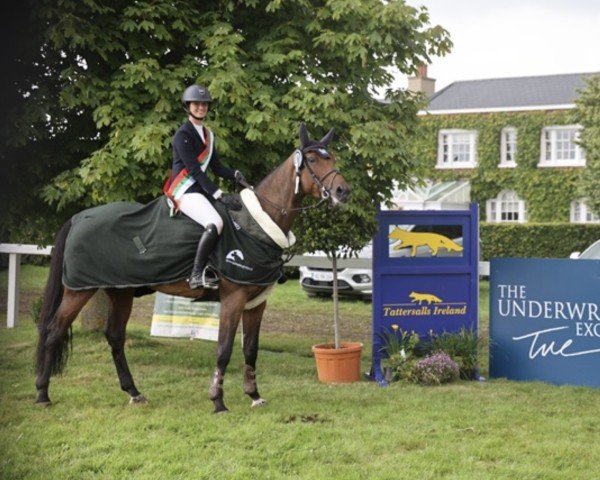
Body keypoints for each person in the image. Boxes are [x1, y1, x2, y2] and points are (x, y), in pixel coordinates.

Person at [165, 84, 246, 289]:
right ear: (188, 106)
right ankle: (196, 274)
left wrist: (234, 174)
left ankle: (219, 266)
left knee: (230, 217)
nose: (201, 107)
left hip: (199, 190)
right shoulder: (182, 135)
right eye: (196, 104)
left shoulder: (208, 135)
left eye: (204, 104)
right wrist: (218, 193)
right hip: (184, 190)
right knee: (215, 222)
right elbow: (194, 170)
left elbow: (217, 168)